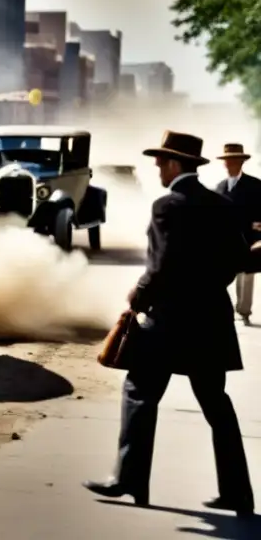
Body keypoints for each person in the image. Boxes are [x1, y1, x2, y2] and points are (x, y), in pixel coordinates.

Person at [83, 131, 254, 518]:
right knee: (217, 406)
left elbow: (160, 266)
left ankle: (130, 480)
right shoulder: (221, 205)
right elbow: (239, 260)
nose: (158, 169)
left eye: (161, 163)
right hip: (211, 319)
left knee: (139, 392)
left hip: (169, 322)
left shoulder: (166, 206)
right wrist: (209, 286)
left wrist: (138, 295)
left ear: (175, 164)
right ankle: (238, 494)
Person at [214, 143, 261, 326]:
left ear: (241, 162)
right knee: (220, 275)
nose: (229, 163)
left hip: (248, 238)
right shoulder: (219, 187)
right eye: (227, 160)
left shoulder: (255, 185)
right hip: (224, 240)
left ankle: (243, 310)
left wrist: (259, 236)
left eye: (233, 160)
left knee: (246, 276)